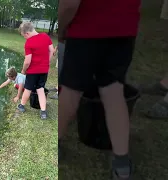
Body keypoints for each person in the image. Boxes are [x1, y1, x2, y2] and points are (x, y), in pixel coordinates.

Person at [58, 0, 140, 179]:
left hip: (86, 29)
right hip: (123, 30)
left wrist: (62, 27)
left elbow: (70, 4)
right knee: (114, 92)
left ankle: (54, 143)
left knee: (71, 91)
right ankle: (122, 165)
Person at [17, 22, 54, 120]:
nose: (25, 38)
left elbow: (27, 61)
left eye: (24, 36)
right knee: (40, 89)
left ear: (27, 33)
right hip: (44, 69)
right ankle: (43, 112)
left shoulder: (29, 42)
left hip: (33, 71)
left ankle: (21, 106)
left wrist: (24, 70)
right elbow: (52, 50)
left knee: (28, 88)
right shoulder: (45, 36)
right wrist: (47, 62)